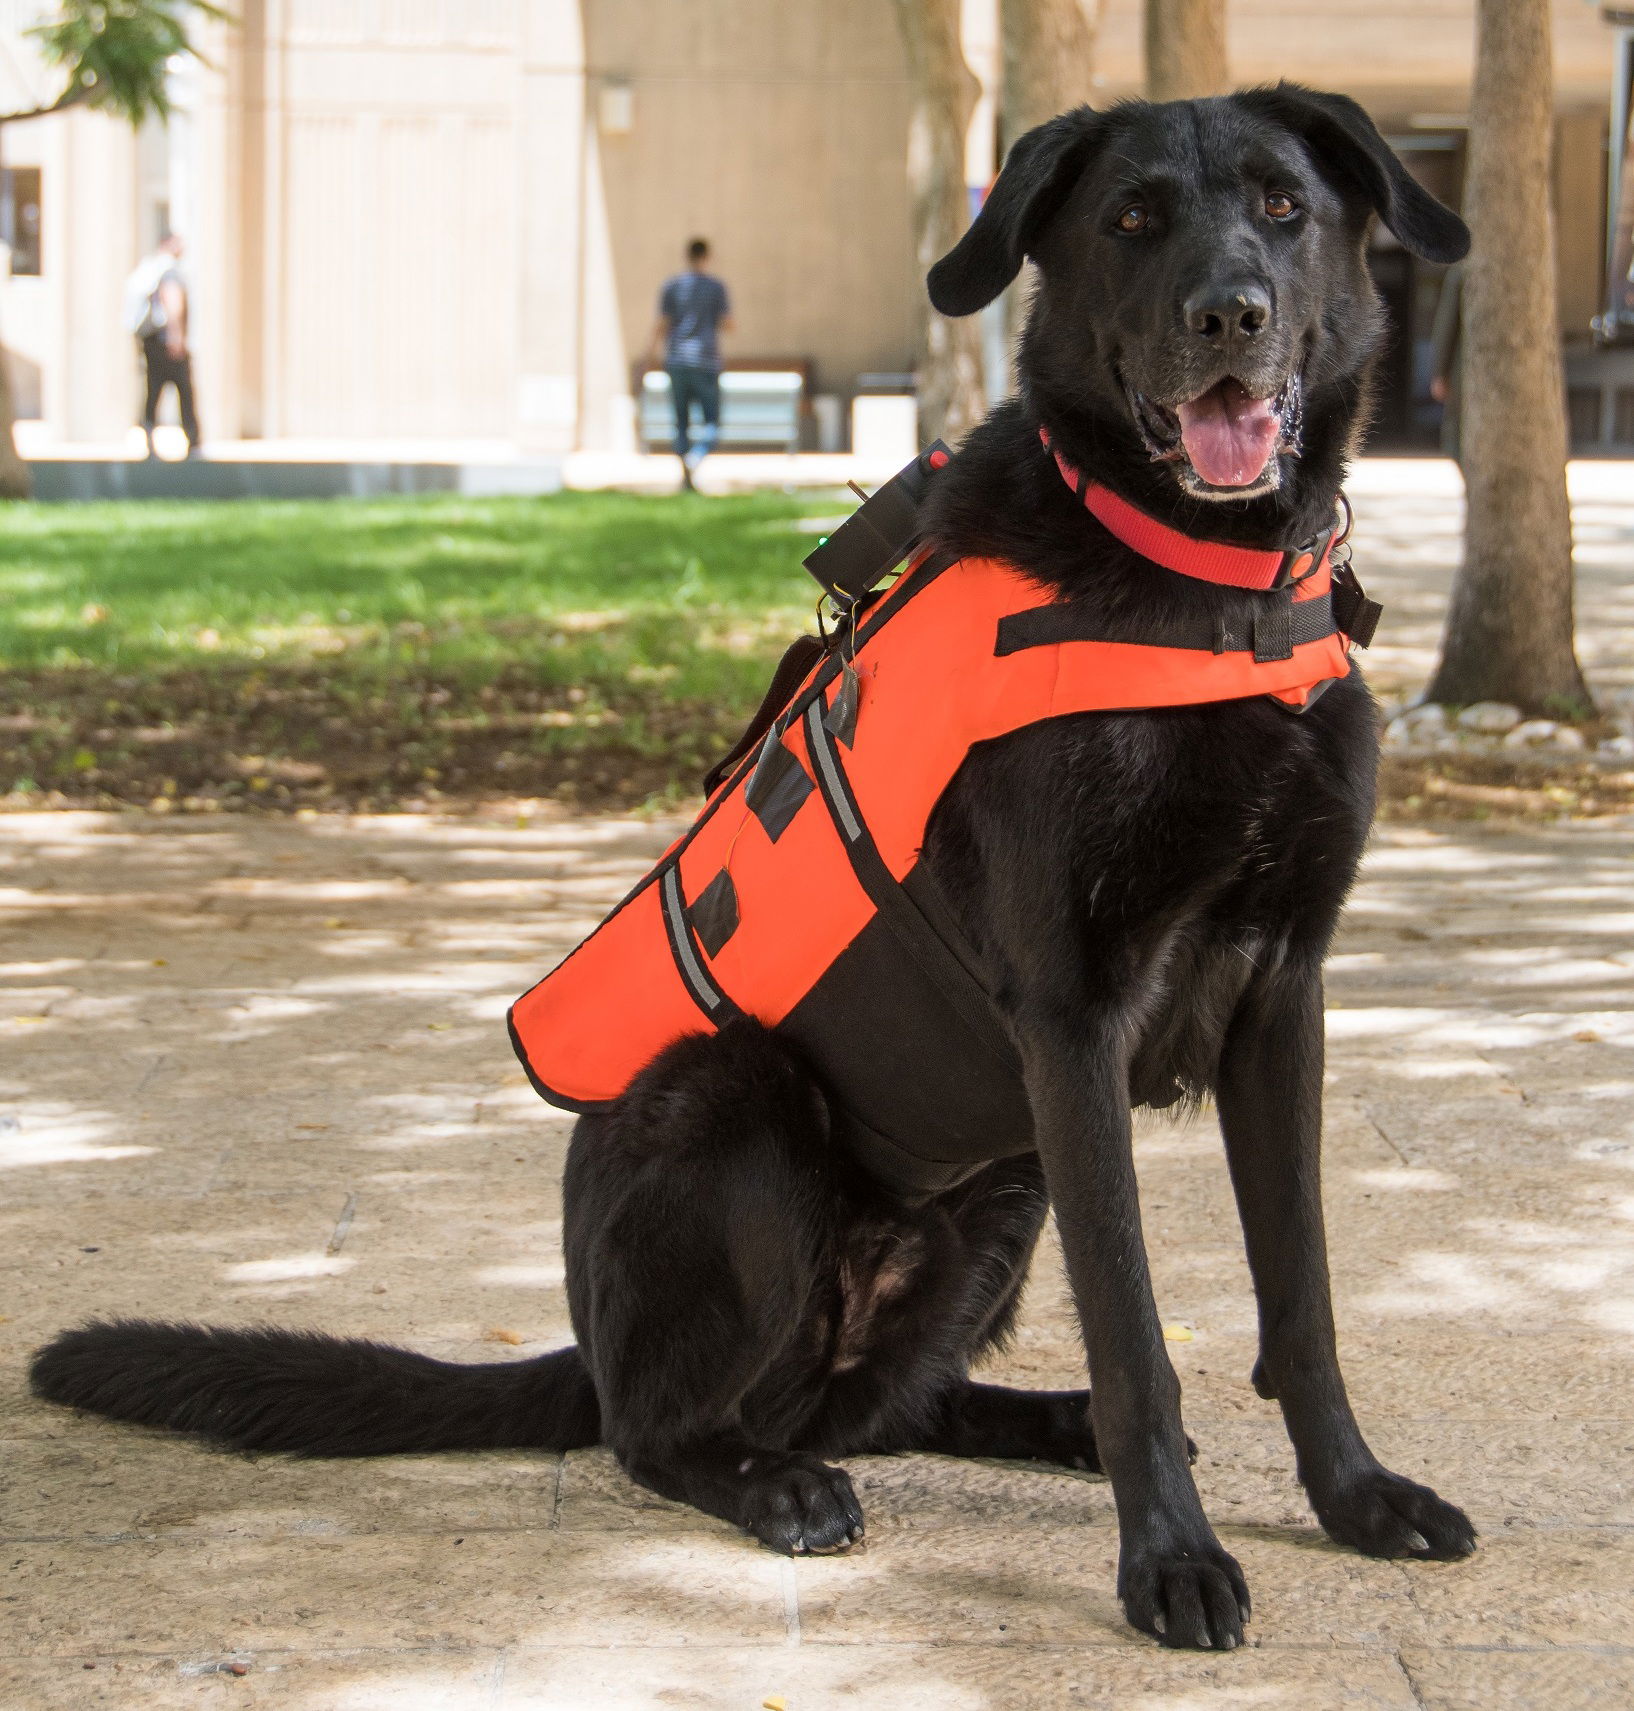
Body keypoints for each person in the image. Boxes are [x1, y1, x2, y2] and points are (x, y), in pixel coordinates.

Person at [647, 238, 732, 490]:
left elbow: (662, 324)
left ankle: (686, 472)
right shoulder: (716, 288)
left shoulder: (672, 286)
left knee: (681, 421)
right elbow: (728, 323)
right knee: (712, 422)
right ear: (707, 256)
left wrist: (648, 355)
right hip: (706, 361)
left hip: (677, 360)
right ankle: (695, 458)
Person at [122, 232, 201, 459]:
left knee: (153, 390)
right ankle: (192, 437)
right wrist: (177, 338)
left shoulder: (151, 269)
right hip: (167, 342)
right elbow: (173, 303)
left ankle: (147, 433)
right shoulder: (170, 271)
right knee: (184, 390)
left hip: (152, 343)